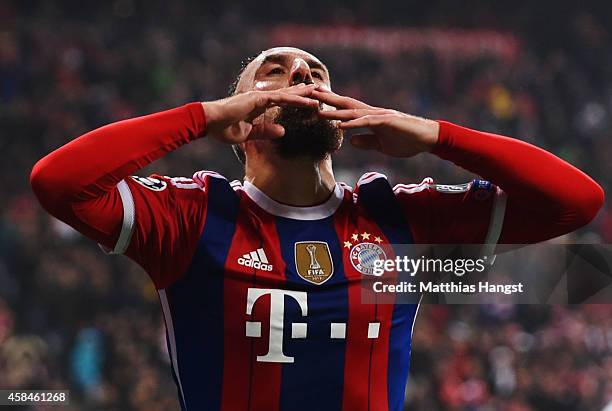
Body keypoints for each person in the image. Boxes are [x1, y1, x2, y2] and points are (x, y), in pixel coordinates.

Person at [30, 47, 604, 411]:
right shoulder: (194, 216)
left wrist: (435, 135)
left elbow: (576, 202)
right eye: (273, 72)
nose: (301, 73)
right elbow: (58, 182)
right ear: (244, 114)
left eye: (315, 72)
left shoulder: (397, 214)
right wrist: (200, 119)